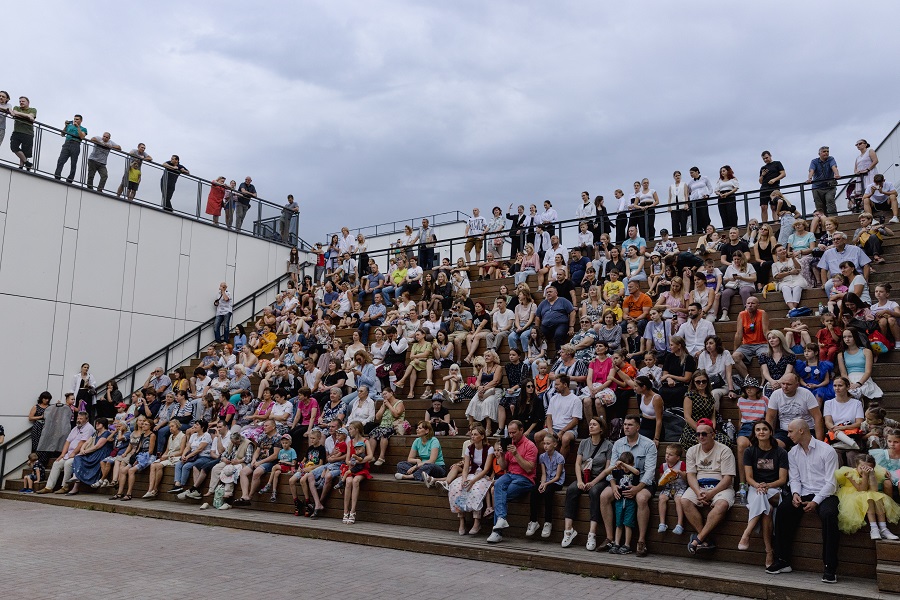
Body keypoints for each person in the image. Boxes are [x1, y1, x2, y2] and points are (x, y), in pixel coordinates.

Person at [767, 419, 840, 583]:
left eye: (790, 431)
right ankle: (783, 560)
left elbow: (831, 483)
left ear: (801, 431)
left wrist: (816, 502)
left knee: (829, 515)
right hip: (804, 492)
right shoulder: (792, 453)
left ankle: (830, 567)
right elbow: (795, 479)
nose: (788, 435)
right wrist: (795, 494)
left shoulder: (827, 451)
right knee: (783, 510)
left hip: (826, 493)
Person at [599, 415, 657, 557]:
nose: (626, 427)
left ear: (638, 427)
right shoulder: (618, 444)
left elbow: (650, 472)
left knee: (641, 499)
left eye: (630, 425)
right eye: (625, 424)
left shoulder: (649, 444)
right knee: (604, 496)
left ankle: (641, 541)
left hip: (642, 482)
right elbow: (612, 468)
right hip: (621, 481)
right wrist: (613, 485)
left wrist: (638, 488)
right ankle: (610, 538)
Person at [681, 419, 736, 554]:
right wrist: (697, 492)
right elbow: (691, 475)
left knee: (722, 504)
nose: (701, 436)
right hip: (699, 486)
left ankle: (698, 539)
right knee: (685, 501)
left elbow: (728, 478)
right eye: (698, 434)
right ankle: (704, 539)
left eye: (704, 434)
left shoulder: (725, 450)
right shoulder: (692, 450)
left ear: (713, 434)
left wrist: (711, 493)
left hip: (720, 487)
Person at [739, 420, 788, 565]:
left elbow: (782, 479)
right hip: (756, 488)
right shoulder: (750, 451)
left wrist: (768, 485)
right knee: (768, 510)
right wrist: (758, 485)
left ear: (771, 432)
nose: (761, 432)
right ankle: (769, 551)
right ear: (754, 433)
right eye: (758, 429)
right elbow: (748, 477)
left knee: (763, 496)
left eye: (765, 429)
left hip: (774, 489)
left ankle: (746, 533)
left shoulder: (780, 452)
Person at [487, 420, 539, 544]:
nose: (511, 435)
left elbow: (529, 468)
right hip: (510, 475)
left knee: (501, 495)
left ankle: (497, 531)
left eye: (514, 432)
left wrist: (516, 454)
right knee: (498, 484)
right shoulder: (509, 443)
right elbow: (503, 466)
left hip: (525, 478)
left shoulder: (530, 446)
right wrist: (501, 455)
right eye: (509, 433)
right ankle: (501, 520)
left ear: (521, 430)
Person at [835, 454, 900, 540]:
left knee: (877, 496)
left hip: (867, 495)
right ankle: (874, 528)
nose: (864, 470)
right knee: (868, 496)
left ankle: (883, 528)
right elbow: (862, 489)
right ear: (856, 466)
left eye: (868, 468)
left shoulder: (873, 472)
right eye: (862, 467)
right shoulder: (850, 473)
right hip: (852, 495)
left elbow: (874, 490)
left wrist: (872, 475)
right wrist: (865, 476)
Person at [36, 411, 95, 494]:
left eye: (81, 419)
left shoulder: (89, 428)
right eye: (78, 418)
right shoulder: (75, 428)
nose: (78, 420)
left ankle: (65, 486)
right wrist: (62, 454)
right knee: (56, 463)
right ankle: (49, 487)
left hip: (80, 454)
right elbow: (67, 441)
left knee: (67, 464)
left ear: (86, 419)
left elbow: (82, 442)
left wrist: (74, 453)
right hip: (69, 453)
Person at [766, 373, 825, 448]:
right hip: (784, 431)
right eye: (783, 384)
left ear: (797, 385)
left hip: (805, 431)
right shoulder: (776, 394)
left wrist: (820, 443)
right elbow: (770, 417)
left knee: (808, 448)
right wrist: (769, 438)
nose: (785, 387)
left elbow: (817, 417)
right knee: (774, 446)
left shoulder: (806, 394)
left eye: (789, 384)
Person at [67, 418, 114, 495]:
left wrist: (85, 452)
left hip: (101, 453)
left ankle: (76, 482)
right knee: (78, 457)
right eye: (96, 423)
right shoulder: (95, 433)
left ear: (103, 425)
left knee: (80, 458)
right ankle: (75, 477)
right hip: (93, 452)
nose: (96, 425)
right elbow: (86, 442)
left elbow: (97, 446)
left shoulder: (106, 433)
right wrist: (82, 449)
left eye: (99, 423)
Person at [657, 444, 687, 536]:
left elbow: (686, 478)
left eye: (670, 455)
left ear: (677, 457)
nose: (667, 456)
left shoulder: (681, 464)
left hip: (680, 487)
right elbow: (661, 479)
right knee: (662, 498)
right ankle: (662, 523)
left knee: (678, 499)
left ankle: (679, 524)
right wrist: (664, 478)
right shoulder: (663, 466)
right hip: (668, 487)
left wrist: (679, 472)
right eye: (666, 454)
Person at [807, 146, 840, 216]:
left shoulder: (831, 159)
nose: (826, 153)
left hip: (829, 186)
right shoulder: (814, 161)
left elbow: (834, 167)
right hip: (817, 187)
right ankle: (823, 220)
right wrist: (810, 178)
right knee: (819, 206)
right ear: (819, 154)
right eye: (824, 151)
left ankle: (833, 219)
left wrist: (836, 174)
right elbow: (811, 170)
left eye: (827, 151)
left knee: (830, 200)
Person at [10, 96, 37, 170]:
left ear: (28, 102)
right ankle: (27, 163)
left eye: (23, 101)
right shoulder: (16, 107)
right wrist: (27, 115)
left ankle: (21, 166)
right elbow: (14, 113)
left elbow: (31, 116)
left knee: (25, 151)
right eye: (20, 101)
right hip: (17, 131)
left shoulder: (33, 109)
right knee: (14, 147)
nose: (21, 102)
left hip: (28, 133)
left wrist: (20, 115)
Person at [758, 151, 786, 223]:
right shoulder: (763, 168)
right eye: (763, 159)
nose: (765, 160)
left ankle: (776, 222)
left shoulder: (777, 163)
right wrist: (762, 175)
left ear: (770, 156)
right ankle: (765, 223)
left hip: (774, 188)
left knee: (774, 207)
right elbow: (760, 181)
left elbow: (783, 174)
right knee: (763, 207)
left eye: (766, 158)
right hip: (764, 189)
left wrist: (775, 179)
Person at [715, 166, 740, 230]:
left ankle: (733, 227)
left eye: (724, 171)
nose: (722, 173)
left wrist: (728, 193)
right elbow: (716, 190)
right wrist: (720, 194)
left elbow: (736, 188)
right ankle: (726, 228)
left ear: (728, 171)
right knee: (723, 213)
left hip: (730, 195)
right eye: (721, 171)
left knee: (731, 212)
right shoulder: (720, 180)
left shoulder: (733, 179)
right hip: (721, 196)